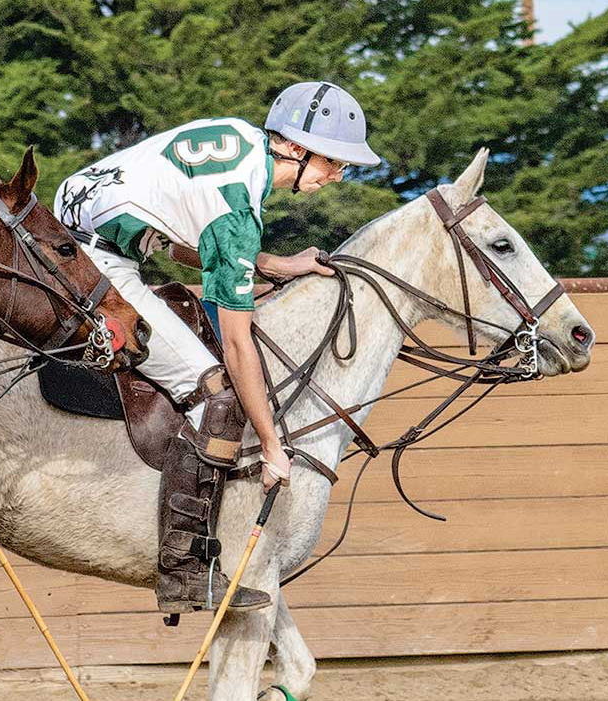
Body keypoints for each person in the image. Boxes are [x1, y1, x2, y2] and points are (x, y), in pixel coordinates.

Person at [51, 81, 381, 614]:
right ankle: (182, 568)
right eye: (334, 161)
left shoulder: (237, 139)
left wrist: (271, 264)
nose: (339, 174)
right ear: (294, 149)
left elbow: (182, 241)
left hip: (78, 236)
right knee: (216, 394)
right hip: (91, 266)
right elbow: (236, 342)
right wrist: (273, 447)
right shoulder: (237, 206)